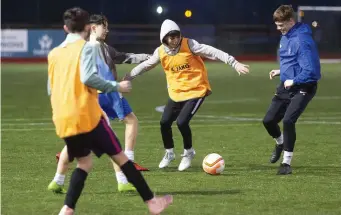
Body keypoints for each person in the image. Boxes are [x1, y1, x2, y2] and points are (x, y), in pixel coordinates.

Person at [47, 7, 172, 215]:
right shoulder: (89, 49)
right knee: (121, 157)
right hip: (88, 116)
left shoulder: (54, 53)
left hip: (63, 118)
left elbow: (51, 89)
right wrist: (117, 87)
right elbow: (91, 79)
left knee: (85, 162)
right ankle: (152, 202)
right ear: (88, 27)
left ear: (64, 28)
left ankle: (66, 207)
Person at [124, 19, 250, 171]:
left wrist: (234, 62)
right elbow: (146, 65)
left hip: (196, 90)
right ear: (164, 39)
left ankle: (188, 152)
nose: (175, 39)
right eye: (171, 37)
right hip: (176, 93)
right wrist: (129, 76)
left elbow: (212, 51)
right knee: (164, 123)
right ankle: (169, 153)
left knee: (182, 122)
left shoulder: (189, 45)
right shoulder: (161, 52)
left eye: (177, 36)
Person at [50, 14, 149, 194]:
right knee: (113, 137)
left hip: (89, 99)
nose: (107, 30)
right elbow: (94, 77)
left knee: (81, 139)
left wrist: (151, 57)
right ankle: (123, 177)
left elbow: (125, 57)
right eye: (105, 26)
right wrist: (117, 86)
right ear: (93, 28)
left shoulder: (92, 48)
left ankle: (58, 180)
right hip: (102, 96)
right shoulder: (90, 49)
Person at [263, 5, 321, 175]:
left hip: (304, 86)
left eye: (281, 25)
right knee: (268, 121)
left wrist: (294, 80)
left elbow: (311, 72)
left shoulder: (302, 41)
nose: (278, 29)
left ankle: (286, 163)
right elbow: (293, 61)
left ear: (290, 21)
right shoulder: (286, 36)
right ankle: (280, 142)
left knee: (288, 121)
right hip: (286, 84)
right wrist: (281, 71)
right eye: (276, 25)